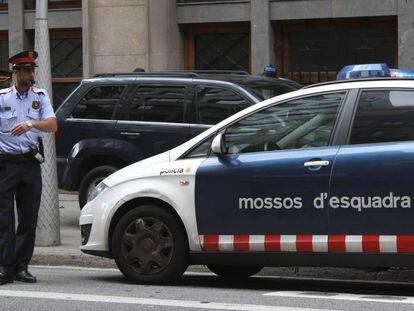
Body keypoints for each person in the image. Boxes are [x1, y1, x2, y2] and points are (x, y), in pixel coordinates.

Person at [0, 51, 58, 284]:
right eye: (25, 70)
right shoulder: (3, 97)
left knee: (28, 218)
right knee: (4, 218)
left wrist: (31, 123)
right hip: (6, 164)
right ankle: (5, 267)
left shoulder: (40, 96)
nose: (30, 74)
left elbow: (53, 125)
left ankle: (21, 266)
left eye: (32, 70)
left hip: (30, 163)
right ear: (15, 73)